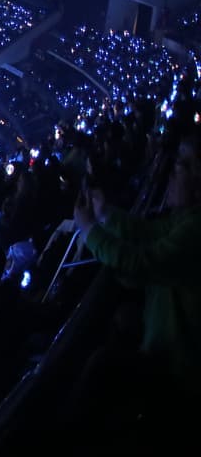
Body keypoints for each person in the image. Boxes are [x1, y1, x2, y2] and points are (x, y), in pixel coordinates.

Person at [74, 130, 201, 385]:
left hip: (176, 364)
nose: (173, 170)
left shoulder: (195, 229)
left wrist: (89, 230)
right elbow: (147, 232)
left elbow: (142, 261)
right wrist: (104, 213)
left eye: (184, 164)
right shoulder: (185, 218)